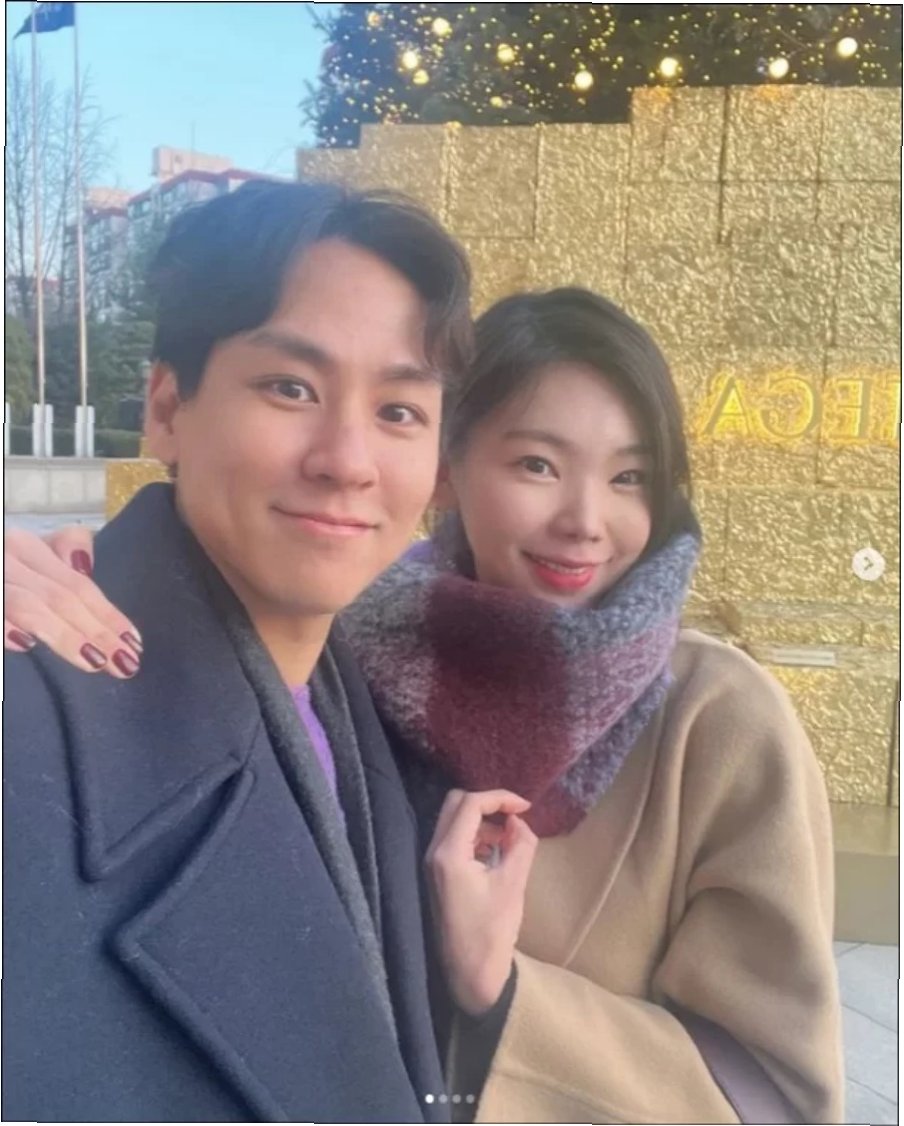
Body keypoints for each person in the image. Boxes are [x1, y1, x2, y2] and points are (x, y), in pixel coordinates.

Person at [5, 284, 844, 1121]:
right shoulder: (342, 659)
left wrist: (503, 993)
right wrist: (65, 581)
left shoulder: (718, 722)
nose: (586, 521)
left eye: (631, 478)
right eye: (538, 465)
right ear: (449, 467)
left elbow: (782, 1096)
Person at [2, 178, 536, 1123]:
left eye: (399, 411)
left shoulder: (372, 707)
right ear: (167, 407)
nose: (348, 461)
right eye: (291, 388)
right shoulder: (29, 714)